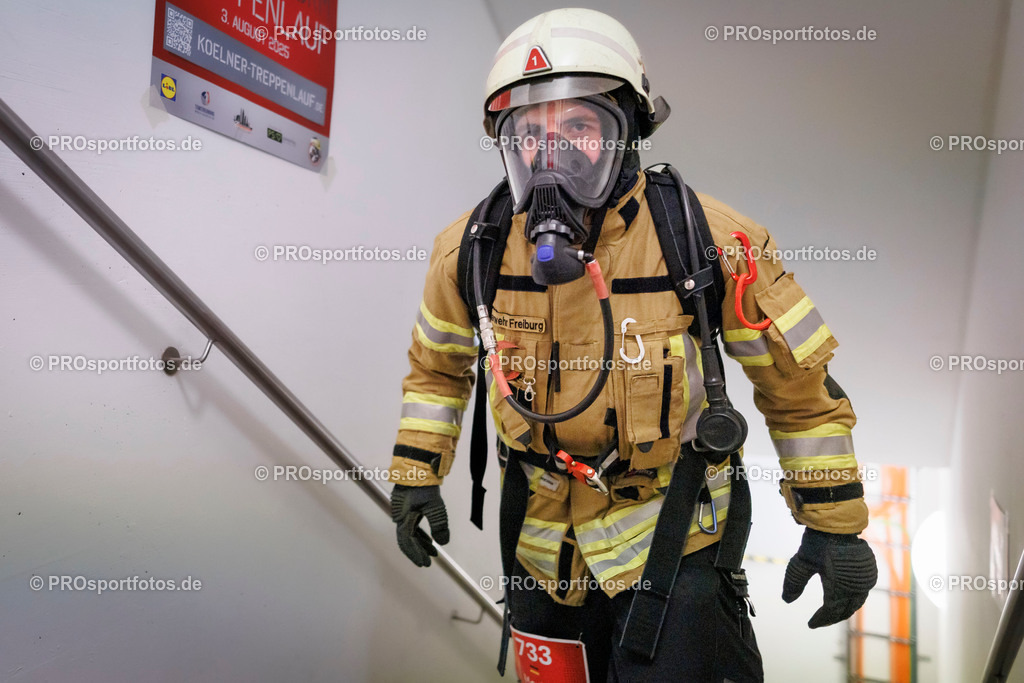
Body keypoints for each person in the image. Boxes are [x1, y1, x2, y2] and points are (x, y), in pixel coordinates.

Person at [387, 8, 877, 682]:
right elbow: (437, 373)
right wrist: (416, 478)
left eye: (580, 127)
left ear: (631, 132)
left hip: (675, 540)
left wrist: (834, 523)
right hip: (541, 548)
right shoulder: (471, 250)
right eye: (529, 133)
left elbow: (799, 394)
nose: (550, 156)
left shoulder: (714, 241)